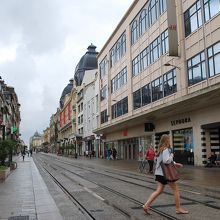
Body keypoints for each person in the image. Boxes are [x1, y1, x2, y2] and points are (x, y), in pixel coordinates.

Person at [143, 134, 188, 215]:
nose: (170, 140)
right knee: (176, 190)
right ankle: (178, 209)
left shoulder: (160, 150)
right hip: (165, 174)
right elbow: (166, 161)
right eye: (169, 139)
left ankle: (146, 205)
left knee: (159, 190)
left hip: (159, 173)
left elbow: (160, 161)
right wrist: (171, 155)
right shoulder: (166, 149)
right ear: (166, 140)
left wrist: (175, 163)